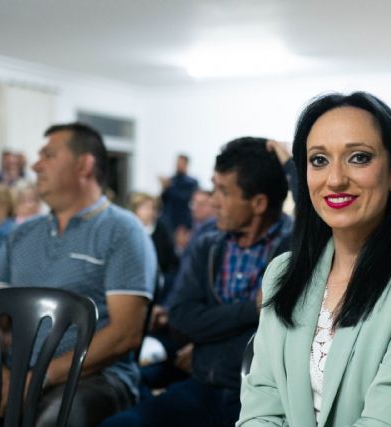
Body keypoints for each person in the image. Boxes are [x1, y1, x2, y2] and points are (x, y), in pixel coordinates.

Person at [238, 92, 391, 426]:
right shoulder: (283, 273)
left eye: (358, 157)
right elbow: (261, 408)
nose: (335, 179)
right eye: (319, 160)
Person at [101, 137, 292, 427]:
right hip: (203, 386)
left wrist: (291, 167)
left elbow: (282, 323)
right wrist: (253, 310)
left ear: (259, 203)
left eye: (223, 191)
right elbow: (182, 317)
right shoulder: (209, 245)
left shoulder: (296, 248)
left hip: (265, 399)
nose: (213, 200)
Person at [0, 123, 157, 426]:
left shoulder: (121, 230)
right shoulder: (23, 234)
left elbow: (125, 334)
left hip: (92, 375)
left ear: (84, 164)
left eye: (48, 155)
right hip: (16, 370)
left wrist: (40, 376)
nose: (36, 165)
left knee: (57, 416)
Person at [159, 154, 199, 233]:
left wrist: (169, 187)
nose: (178, 165)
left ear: (186, 165)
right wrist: (164, 188)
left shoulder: (192, 182)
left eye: (181, 163)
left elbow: (185, 199)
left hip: (182, 221)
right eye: (177, 163)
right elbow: (164, 200)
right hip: (168, 219)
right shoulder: (171, 180)